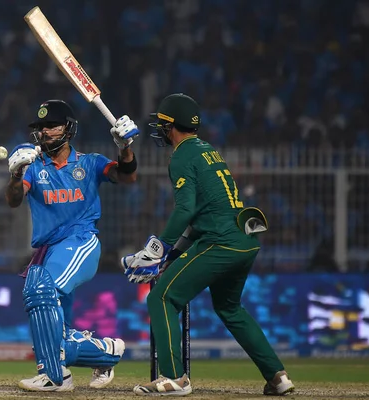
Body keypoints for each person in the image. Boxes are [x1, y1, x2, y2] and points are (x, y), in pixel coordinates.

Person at [121, 94, 295, 396]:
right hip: (244, 240)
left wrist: (159, 247)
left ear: (171, 126)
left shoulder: (181, 156)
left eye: (162, 124)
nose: (159, 130)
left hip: (220, 242)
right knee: (230, 308)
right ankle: (277, 376)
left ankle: (175, 378)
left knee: (162, 298)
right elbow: (203, 215)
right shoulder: (208, 151)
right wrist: (170, 255)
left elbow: (186, 210)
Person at [4, 99, 139, 392]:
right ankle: (106, 352)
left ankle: (56, 377)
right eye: (40, 128)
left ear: (68, 128)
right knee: (57, 336)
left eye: (51, 125)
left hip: (81, 242)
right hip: (48, 251)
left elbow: (128, 176)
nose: (44, 132)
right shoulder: (32, 165)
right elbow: (14, 200)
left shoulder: (90, 162)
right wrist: (15, 174)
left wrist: (125, 148)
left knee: (39, 288)